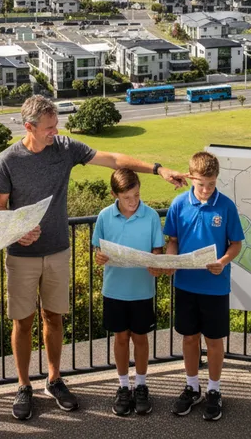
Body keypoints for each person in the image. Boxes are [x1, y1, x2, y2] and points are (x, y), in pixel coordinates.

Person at [0, 94, 187, 421]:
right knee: (22, 323)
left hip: (57, 252)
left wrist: (158, 169)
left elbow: (113, 159)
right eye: (50, 127)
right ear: (29, 127)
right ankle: (24, 385)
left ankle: (54, 379)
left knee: (53, 319)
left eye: (57, 125)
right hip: (21, 256)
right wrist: (15, 233)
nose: (57, 131)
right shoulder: (8, 159)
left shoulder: (65, 148)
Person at [163, 151, 244, 421]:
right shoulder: (178, 204)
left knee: (213, 340)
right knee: (188, 337)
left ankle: (214, 390)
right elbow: (172, 240)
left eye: (211, 184)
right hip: (186, 284)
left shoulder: (227, 207)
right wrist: (171, 260)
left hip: (215, 286)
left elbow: (236, 245)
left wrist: (222, 261)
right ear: (190, 177)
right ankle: (192, 386)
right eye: (201, 184)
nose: (206, 190)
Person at [92, 168, 167, 417]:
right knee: (121, 338)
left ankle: (142, 385)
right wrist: (99, 257)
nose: (133, 201)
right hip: (114, 290)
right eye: (127, 197)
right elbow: (97, 251)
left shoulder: (151, 216)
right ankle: (124, 387)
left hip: (143, 290)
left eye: (136, 195)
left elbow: (157, 250)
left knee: (141, 338)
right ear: (115, 194)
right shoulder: (104, 216)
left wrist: (156, 264)